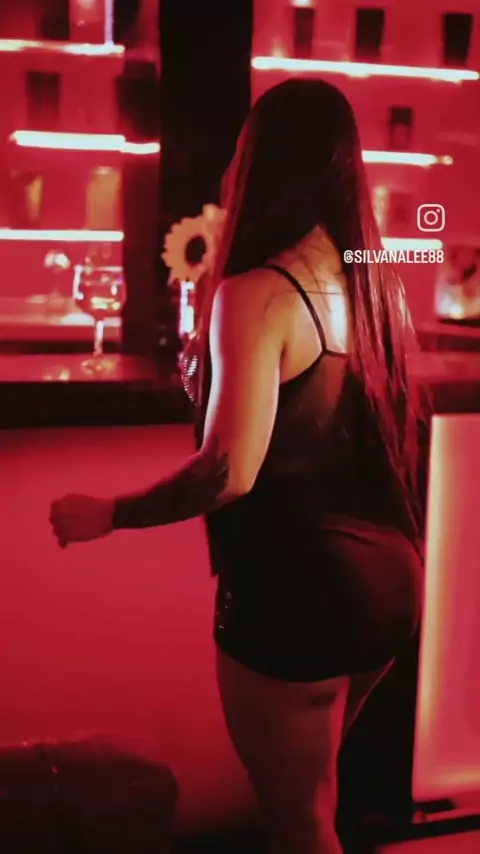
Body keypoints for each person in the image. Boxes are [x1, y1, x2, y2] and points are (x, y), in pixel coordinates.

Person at [50, 79, 428, 854]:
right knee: (316, 801)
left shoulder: (256, 294)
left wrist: (110, 514)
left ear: (261, 166)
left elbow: (230, 471)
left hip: (299, 593)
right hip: (390, 586)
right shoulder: (376, 285)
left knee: (298, 824)